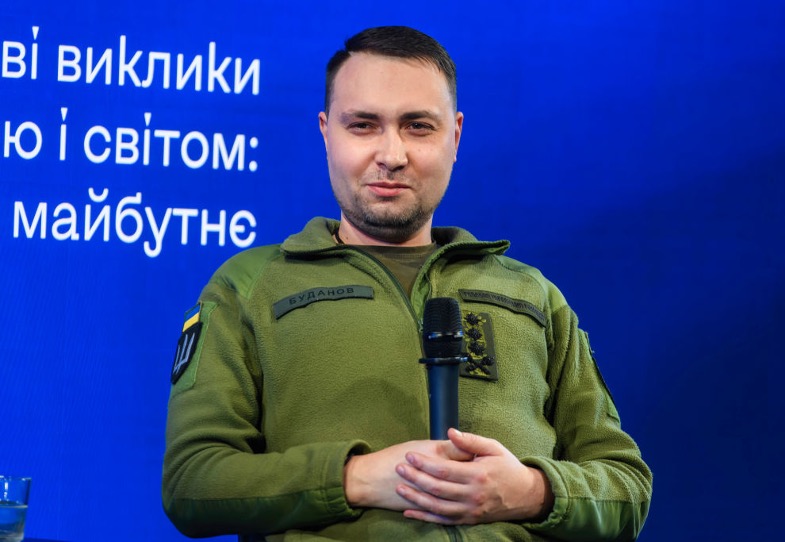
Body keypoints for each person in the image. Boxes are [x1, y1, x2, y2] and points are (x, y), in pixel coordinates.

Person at [162, 25, 652, 541]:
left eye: (418, 126)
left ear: (455, 136)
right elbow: (193, 481)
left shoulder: (532, 294)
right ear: (326, 133)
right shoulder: (250, 286)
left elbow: (627, 486)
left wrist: (531, 491)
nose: (392, 154)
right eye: (363, 125)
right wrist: (355, 479)